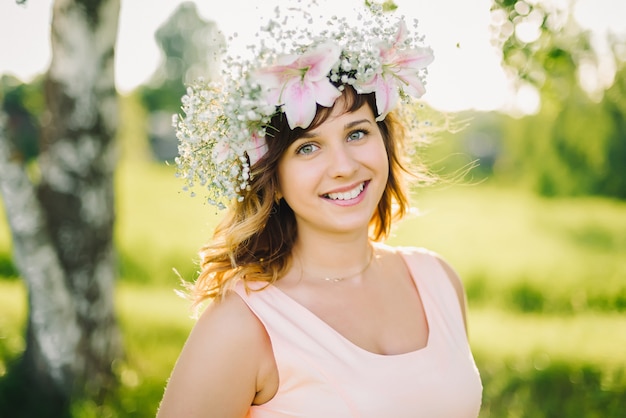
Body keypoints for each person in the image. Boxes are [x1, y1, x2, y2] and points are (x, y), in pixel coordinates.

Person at [157, 4, 482, 417]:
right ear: (272, 179)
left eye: (357, 133)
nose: (344, 166)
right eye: (307, 147)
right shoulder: (244, 326)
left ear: (384, 142)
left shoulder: (438, 282)